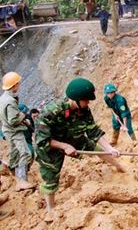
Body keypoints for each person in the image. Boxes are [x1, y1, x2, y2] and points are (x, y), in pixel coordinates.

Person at [35, 77, 125, 222]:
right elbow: (42, 140)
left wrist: (110, 148)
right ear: (76, 99)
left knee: (99, 150)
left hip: (73, 137)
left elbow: (93, 131)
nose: (88, 103)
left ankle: (120, 167)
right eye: (86, 100)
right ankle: (50, 209)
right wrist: (64, 146)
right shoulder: (50, 112)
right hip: (50, 145)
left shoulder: (84, 110)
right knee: (50, 177)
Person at [0, 72, 35, 191]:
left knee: (14, 152)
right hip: (14, 131)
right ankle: (21, 180)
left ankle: (11, 169)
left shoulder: (3, 98)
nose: (19, 85)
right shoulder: (10, 101)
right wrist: (23, 115)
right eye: (18, 84)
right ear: (14, 85)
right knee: (26, 153)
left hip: (8, 131)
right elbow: (13, 120)